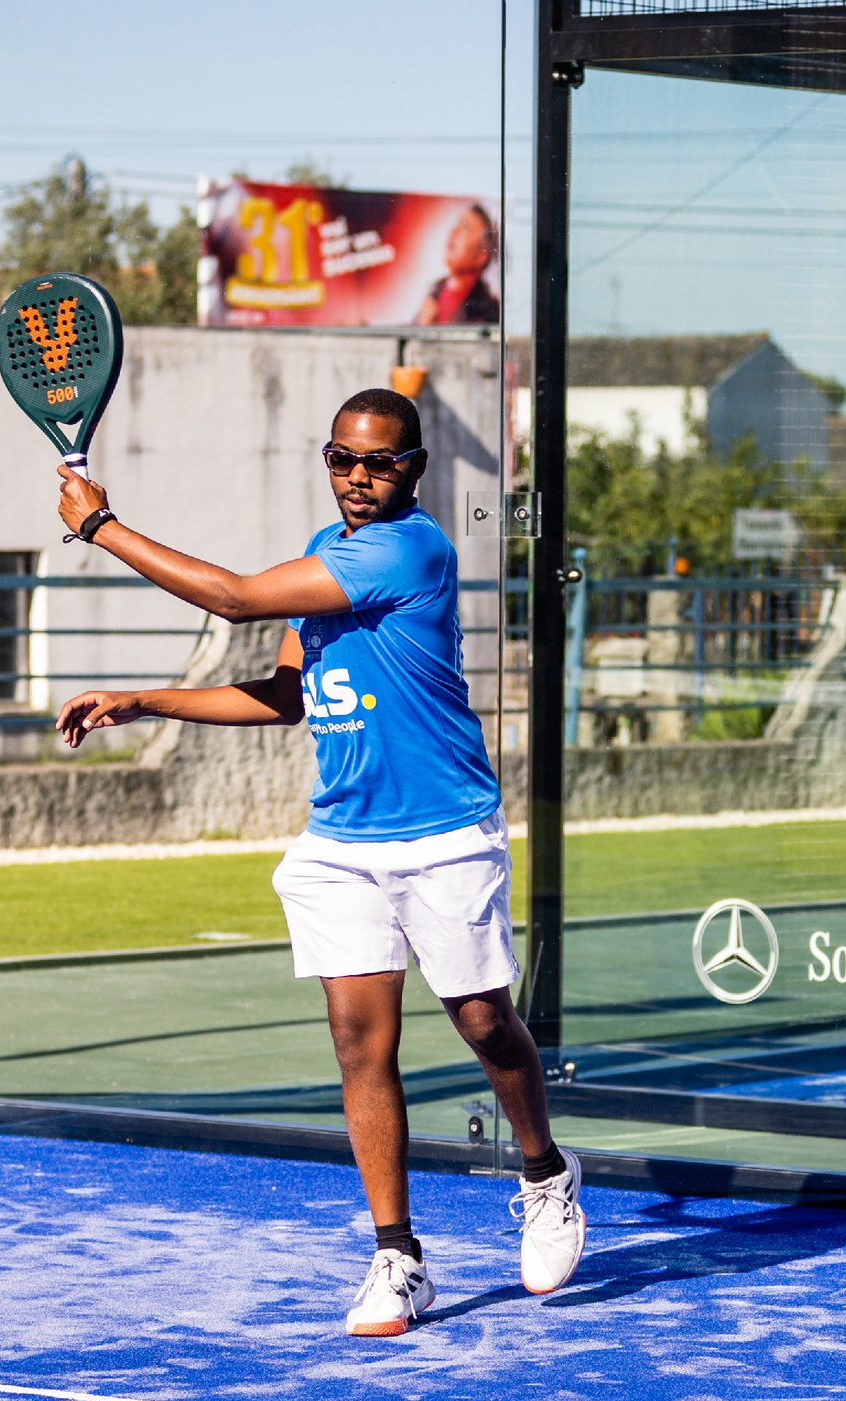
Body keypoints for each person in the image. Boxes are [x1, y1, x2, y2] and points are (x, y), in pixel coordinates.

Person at [50, 387, 582, 1337]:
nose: (358, 475)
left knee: (481, 1019)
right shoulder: (326, 551)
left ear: (414, 469)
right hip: (342, 843)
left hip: (444, 832)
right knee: (358, 1041)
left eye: (379, 461)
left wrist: (102, 527)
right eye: (342, 458)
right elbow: (287, 695)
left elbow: (233, 597)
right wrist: (145, 700)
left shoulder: (411, 549)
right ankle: (397, 1256)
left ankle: (544, 1172)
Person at [414, 203, 500, 326]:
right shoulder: (434, 290)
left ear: (481, 255)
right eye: (457, 223)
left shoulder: (489, 313)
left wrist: (428, 332)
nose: (454, 231)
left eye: (465, 227)